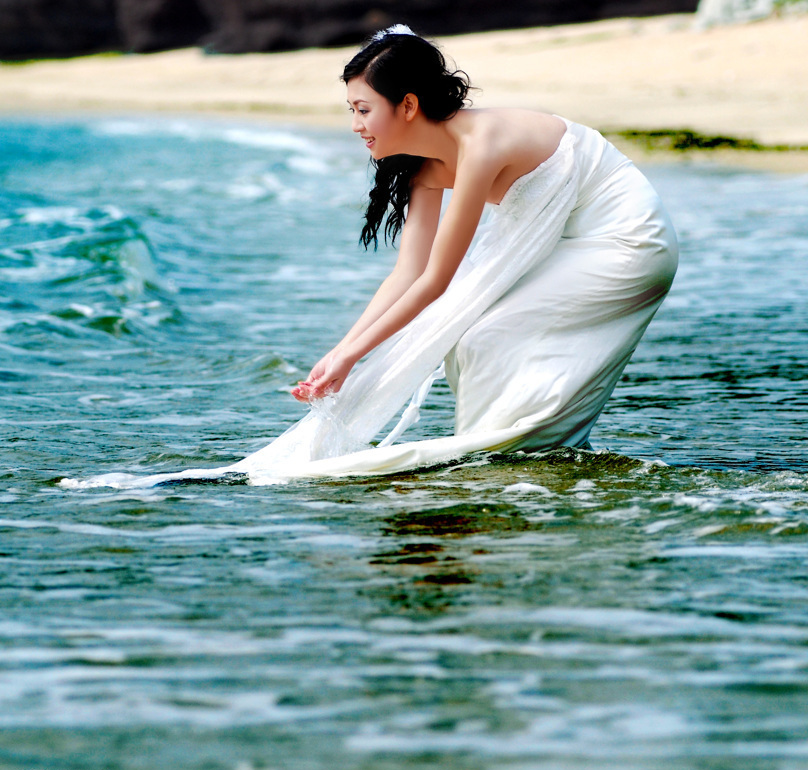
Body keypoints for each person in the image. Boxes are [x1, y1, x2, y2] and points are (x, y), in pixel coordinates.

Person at [237, 24, 678, 480]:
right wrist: (342, 349)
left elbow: (436, 280)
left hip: (627, 238)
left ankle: (514, 455)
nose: (355, 125)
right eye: (352, 110)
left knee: (482, 337)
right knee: (466, 343)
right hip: (568, 237)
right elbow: (408, 272)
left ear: (407, 105)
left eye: (364, 110)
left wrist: (352, 359)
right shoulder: (424, 168)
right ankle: (520, 456)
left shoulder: (478, 145)